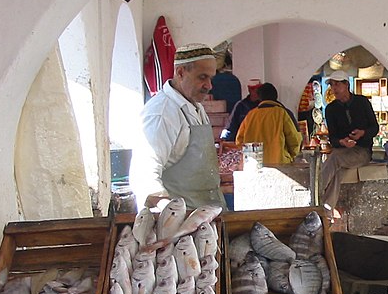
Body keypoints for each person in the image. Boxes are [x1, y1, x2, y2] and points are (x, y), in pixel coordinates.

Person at [129, 43, 225, 211]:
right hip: (181, 225)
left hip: (207, 214)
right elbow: (144, 173)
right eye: (202, 77)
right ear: (180, 73)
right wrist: (171, 213)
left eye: (211, 78)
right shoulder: (161, 113)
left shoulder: (196, 106)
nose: (209, 85)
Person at [321, 70, 379, 213]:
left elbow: (375, 128)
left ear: (346, 84)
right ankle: (325, 213)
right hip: (343, 151)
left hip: (362, 151)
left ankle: (314, 191)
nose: (334, 88)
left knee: (335, 158)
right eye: (332, 85)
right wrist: (342, 142)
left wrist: (362, 134)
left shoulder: (362, 102)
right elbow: (333, 138)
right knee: (337, 174)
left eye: (337, 84)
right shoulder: (331, 109)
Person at [235, 82, 303, 165]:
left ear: (259, 98)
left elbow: (239, 141)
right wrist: (290, 156)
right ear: (276, 96)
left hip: (255, 165)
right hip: (279, 164)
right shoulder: (282, 113)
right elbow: (294, 139)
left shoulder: (250, 115)